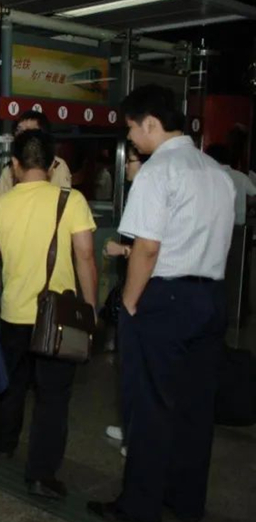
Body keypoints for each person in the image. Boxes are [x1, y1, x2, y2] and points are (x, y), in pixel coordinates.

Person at [88, 85, 234, 522]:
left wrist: (129, 302)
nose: (131, 139)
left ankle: (139, 506)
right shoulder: (217, 173)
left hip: (165, 299)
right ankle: (185, 500)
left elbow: (147, 248)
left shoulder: (158, 171)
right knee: (195, 407)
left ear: (150, 122)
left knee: (148, 405)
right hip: (210, 297)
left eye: (132, 129)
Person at [0, 130, 98, 501]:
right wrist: (90, 309)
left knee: (10, 385)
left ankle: (4, 444)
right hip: (58, 317)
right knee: (52, 397)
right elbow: (85, 257)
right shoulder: (71, 200)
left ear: (14, 165)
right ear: (51, 165)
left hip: (13, 313)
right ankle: (40, 474)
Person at [102, 146, 148, 452]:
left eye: (130, 161)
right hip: (136, 288)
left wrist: (121, 250)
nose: (126, 167)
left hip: (141, 293)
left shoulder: (149, 195)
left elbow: (150, 249)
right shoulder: (137, 194)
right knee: (128, 366)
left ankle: (136, 436)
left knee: (137, 366)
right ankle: (130, 425)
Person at [0, 110, 72, 205]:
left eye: (28, 131)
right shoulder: (10, 168)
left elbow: (64, 204)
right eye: (19, 130)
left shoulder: (57, 166)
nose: (22, 135)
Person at [207, 144, 256, 226]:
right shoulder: (241, 177)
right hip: (238, 227)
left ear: (210, 158)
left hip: (215, 227)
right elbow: (254, 196)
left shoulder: (209, 176)